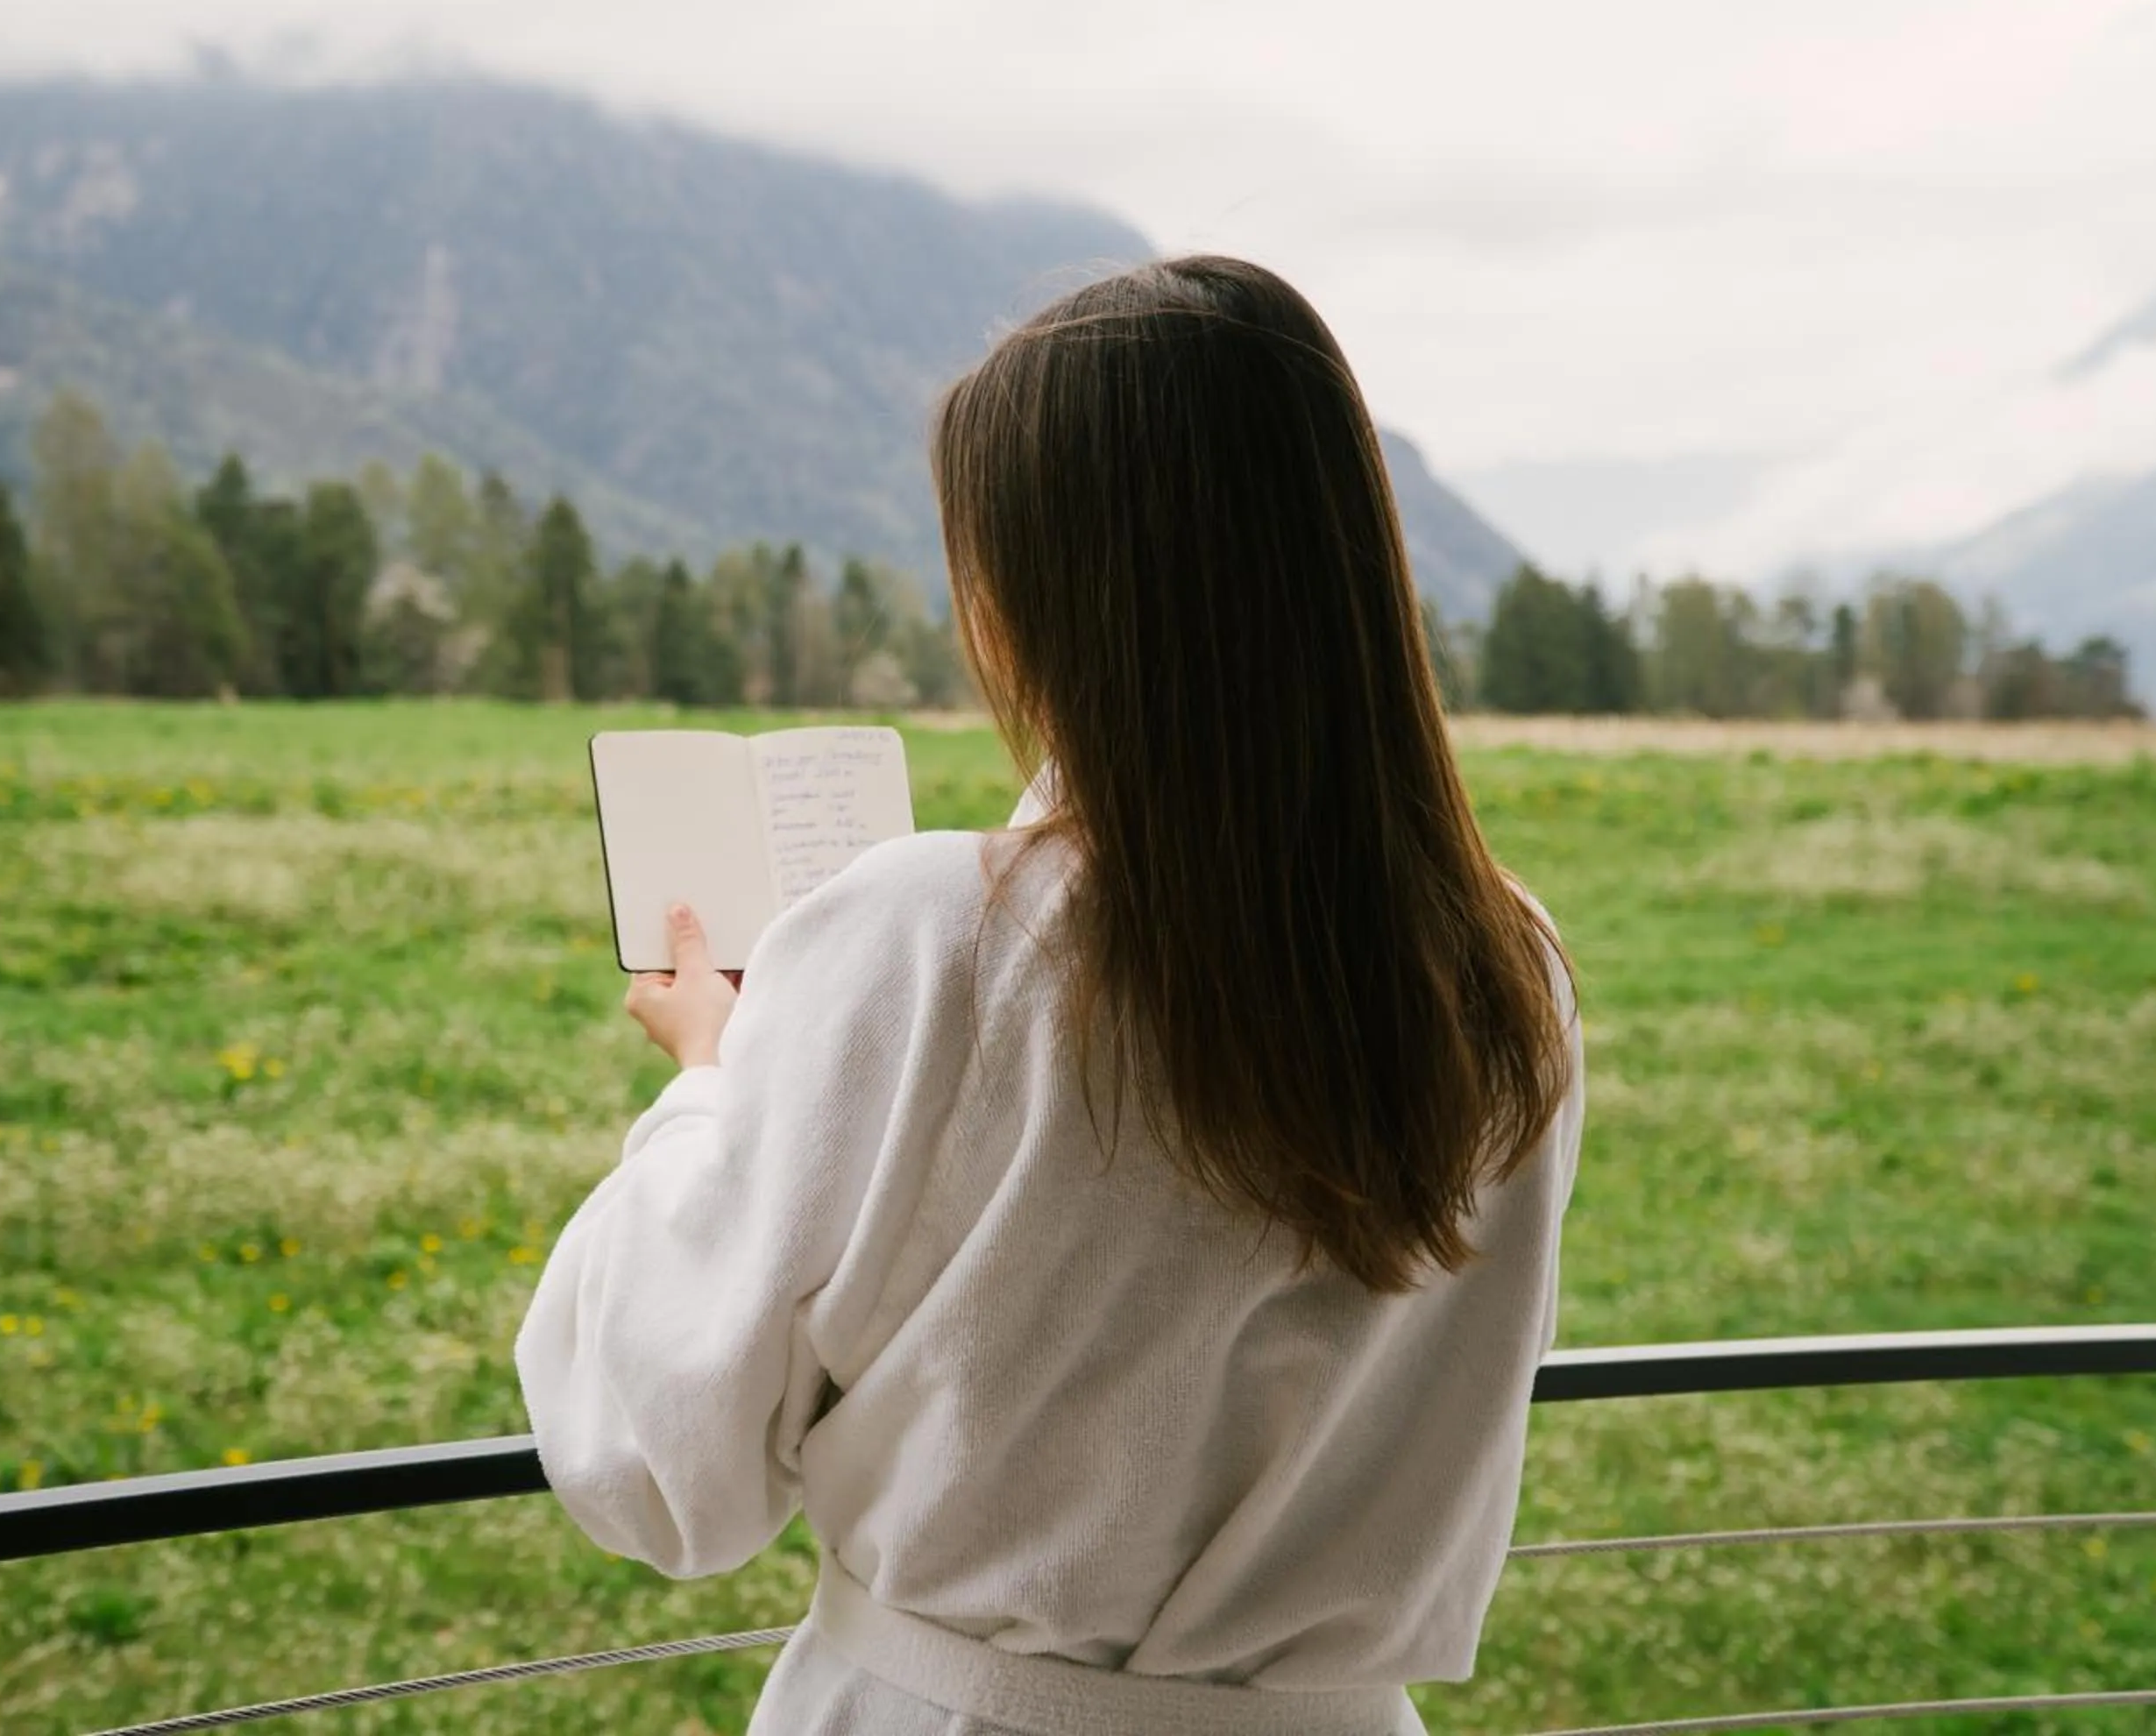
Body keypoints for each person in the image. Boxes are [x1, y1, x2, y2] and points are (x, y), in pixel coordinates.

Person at [518, 254, 1584, 1736]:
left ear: (1036, 603)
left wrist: (707, 1080)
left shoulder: (934, 932)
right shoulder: (1504, 966)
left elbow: (654, 1468)